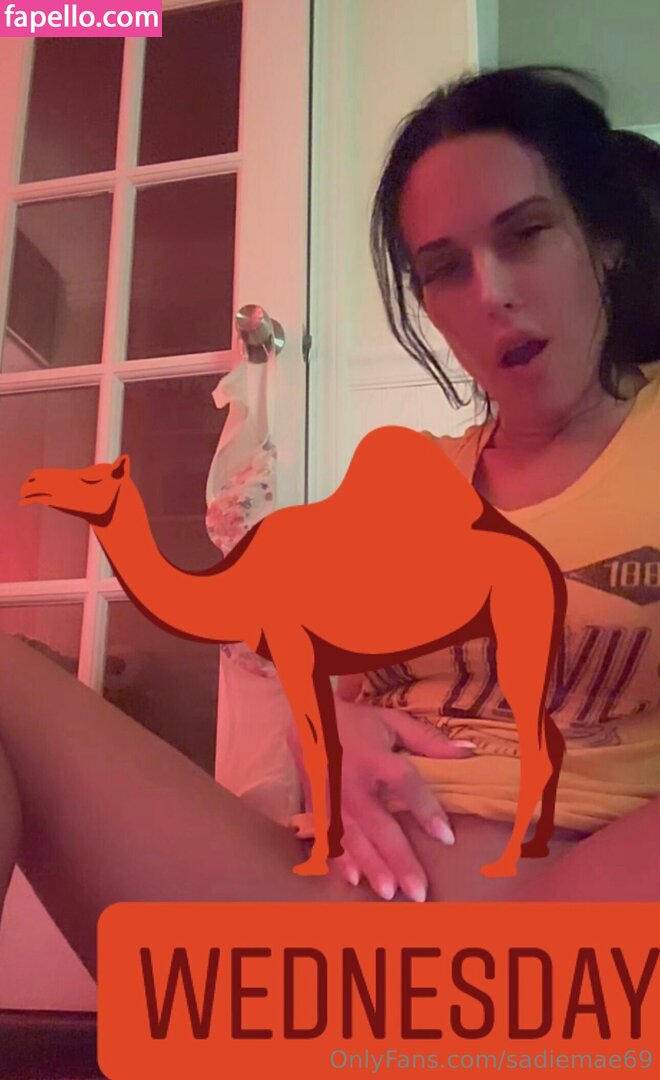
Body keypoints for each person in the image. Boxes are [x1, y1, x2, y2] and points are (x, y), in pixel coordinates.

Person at [0, 64, 659, 982]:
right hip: (320, 917)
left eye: (526, 234)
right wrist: (328, 739)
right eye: (444, 268)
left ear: (606, 240)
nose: (490, 292)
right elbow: (333, 681)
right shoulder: (406, 473)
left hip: (567, 952)